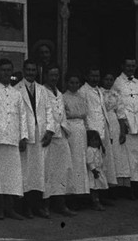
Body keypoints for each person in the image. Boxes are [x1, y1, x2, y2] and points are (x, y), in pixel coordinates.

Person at [0, 57, 29, 220]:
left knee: (13, 176)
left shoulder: (17, 94)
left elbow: (23, 116)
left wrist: (23, 136)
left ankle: (10, 208)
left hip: (14, 138)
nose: (6, 73)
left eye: (9, 70)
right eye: (3, 70)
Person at [111, 57, 138, 198]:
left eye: (133, 66)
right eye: (128, 66)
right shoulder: (117, 82)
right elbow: (117, 104)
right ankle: (129, 191)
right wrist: (122, 123)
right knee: (127, 159)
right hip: (126, 126)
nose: (130, 68)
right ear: (123, 66)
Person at [40, 66, 75, 216]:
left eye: (56, 75)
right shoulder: (42, 91)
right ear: (45, 75)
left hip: (62, 136)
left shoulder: (59, 93)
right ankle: (45, 205)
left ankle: (60, 204)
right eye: (51, 75)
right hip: (49, 136)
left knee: (62, 171)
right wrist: (49, 131)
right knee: (48, 172)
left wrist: (65, 130)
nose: (54, 78)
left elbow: (62, 115)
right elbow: (44, 115)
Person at [62, 73, 101, 209]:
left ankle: (82, 194)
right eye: (71, 82)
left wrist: (89, 131)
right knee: (73, 162)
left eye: (76, 83)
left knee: (82, 162)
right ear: (67, 83)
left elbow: (86, 117)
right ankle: (71, 195)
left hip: (81, 130)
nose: (74, 85)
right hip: (71, 130)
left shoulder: (82, 97)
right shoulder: (63, 97)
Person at [17, 59, 49, 218]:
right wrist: (21, 136)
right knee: (27, 172)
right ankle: (27, 207)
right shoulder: (17, 90)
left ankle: (38, 206)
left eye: (33, 70)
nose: (30, 73)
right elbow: (18, 116)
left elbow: (49, 110)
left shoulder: (42, 90)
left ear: (37, 72)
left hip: (41, 133)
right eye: (28, 70)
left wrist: (50, 131)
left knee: (39, 172)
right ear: (23, 70)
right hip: (26, 134)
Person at [80, 67, 112, 205]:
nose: (95, 78)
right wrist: (89, 132)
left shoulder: (99, 90)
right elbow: (85, 112)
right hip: (92, 133)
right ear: (87, 76)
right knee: (91, 166)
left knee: (101, 165)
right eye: (92, 75)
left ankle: (101, 195)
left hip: (102, 132)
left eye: (97, 75)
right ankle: (92, 199)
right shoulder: (83, 91)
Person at [99, 71, 125, 199]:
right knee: (106, 156)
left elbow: (120, 112)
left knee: (115, 156)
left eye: (111, 79)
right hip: (103, 122)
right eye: (106, 79)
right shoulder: (98, 92)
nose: (108, 82)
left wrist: (123, 130)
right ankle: (104, 189)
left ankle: (114, 190)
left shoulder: (116, 94)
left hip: (114, 123)